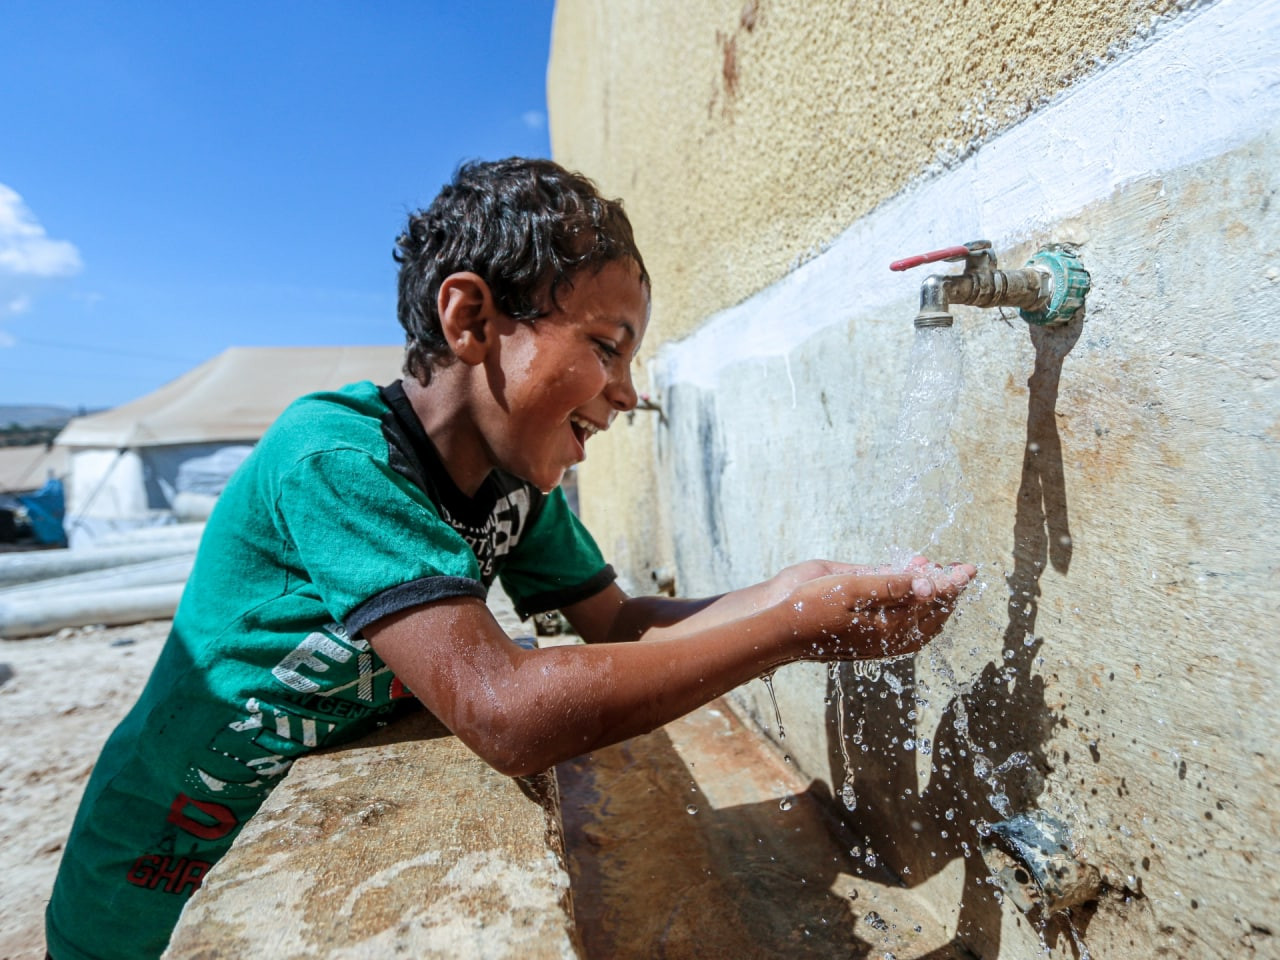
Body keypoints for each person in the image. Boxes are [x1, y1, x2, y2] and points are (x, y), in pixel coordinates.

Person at [44, 158, 974, 960]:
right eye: (607, 347)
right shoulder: (335, 457)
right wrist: (788, 633)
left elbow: (621, 625)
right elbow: (503, 711)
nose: (624, 394)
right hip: (153, 878)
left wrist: (790, 590)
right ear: (471, 318)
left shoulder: (515, 486)